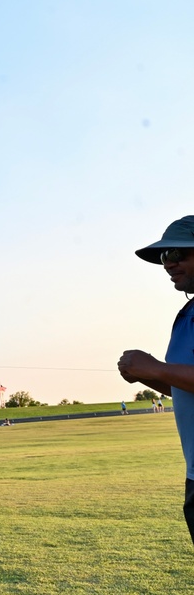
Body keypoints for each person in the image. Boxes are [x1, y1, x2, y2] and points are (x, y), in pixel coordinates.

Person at [118, 215, 194, 546]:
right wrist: (147, 376)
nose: (168, 263)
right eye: (164, 256)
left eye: (179, 254)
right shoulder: (186, 314)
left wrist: (157, 368)